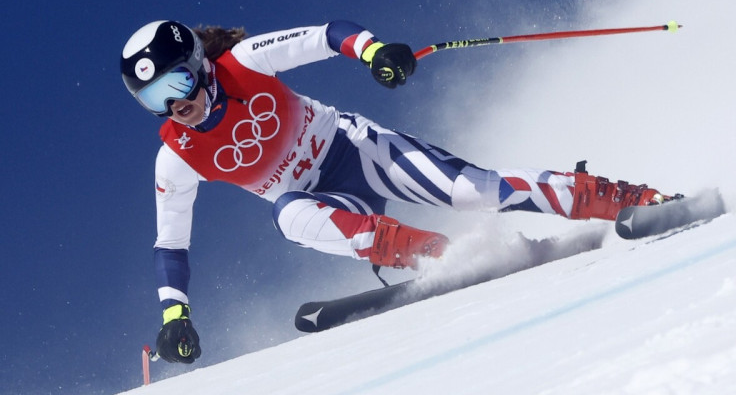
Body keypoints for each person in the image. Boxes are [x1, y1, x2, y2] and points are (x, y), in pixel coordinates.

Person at [120, 20, 672, 364]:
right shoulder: (175, 156)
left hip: (355, 150)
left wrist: (374, 51)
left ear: (198, 66)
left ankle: (628, 199)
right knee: (288, 216)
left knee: (471, 191)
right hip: (329, 205)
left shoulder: (243, 64)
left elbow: (326, 35)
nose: (175, 106)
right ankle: (443, 257)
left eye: (177, 85)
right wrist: (175, 318)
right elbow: (172, 244)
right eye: (153, 100)